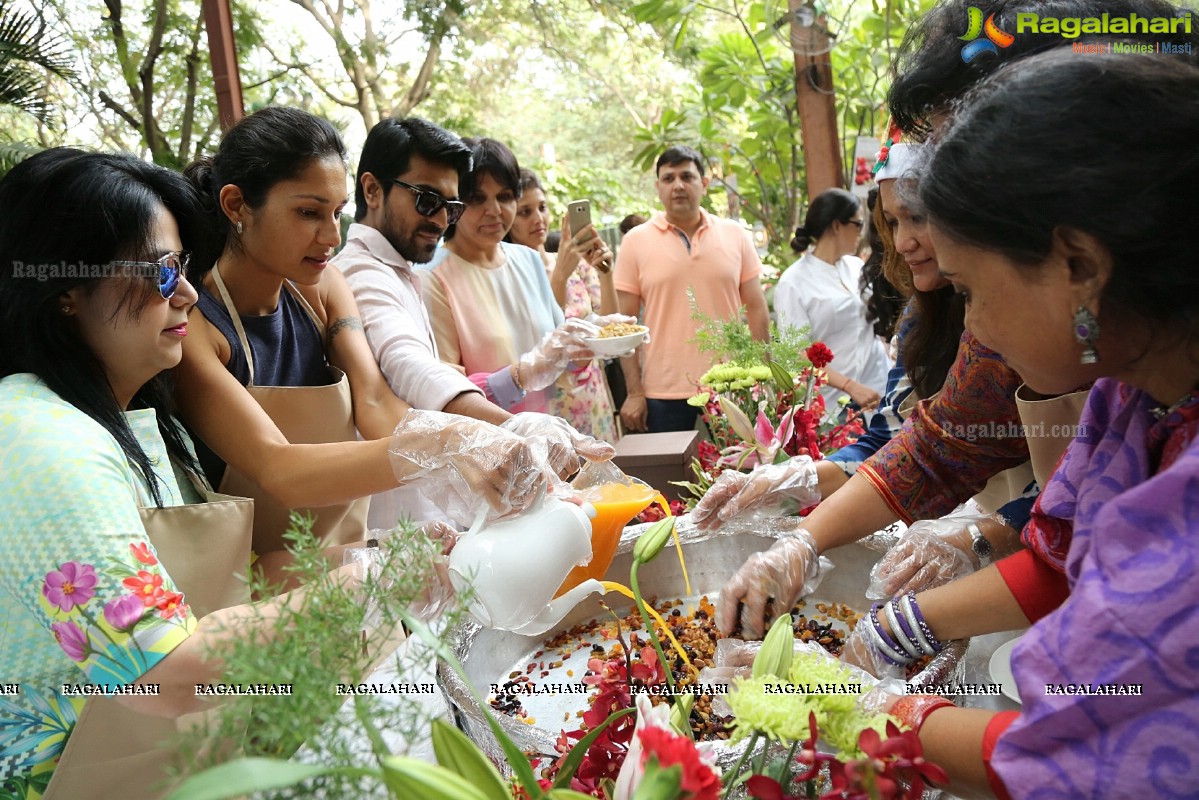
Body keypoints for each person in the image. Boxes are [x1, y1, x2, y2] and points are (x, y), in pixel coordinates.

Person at [0, 148, 452, 798]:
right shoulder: (42, 438)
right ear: (67, 292)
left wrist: (369, 557)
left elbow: (230, 586)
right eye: (159, 273)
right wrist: (370, 587)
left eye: (181, 267)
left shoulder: (146, 422)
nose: (185, 293)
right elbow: (161, 670)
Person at [867, 50, 1199, 799]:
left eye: (971, 291)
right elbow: (1058, 553)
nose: (975, 328)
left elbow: (1071, 757)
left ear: (1078, 264)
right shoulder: (1131, 398)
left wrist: (869, 713)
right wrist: (896, 630)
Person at [176, 108, 566, 583]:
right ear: (237, 205)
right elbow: (279, 469)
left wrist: (487, 442)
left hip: (339, 553)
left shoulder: (324, 288)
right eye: (308, 213)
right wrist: (448, 443)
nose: (330, 236)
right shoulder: (194, 328)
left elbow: (376, 401)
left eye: (336, 213)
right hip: (243, 582)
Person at [332, 118, 612, 528]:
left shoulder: (399, 268)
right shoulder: (361, 272)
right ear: (373, 190)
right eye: (427, 200)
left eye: (451, 206)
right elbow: (409, 362)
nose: (441, 219)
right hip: (402, 513)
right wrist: (511, 424)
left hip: (462, 489)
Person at [419, 138, 632, 419]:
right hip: (489, 443)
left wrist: (593, 339)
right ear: (455, 202)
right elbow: (442, 391)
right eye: (477, 198)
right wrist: (519, 375)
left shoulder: (527, 259)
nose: (494, 210)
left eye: (504, 196)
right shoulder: (432, 276)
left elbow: (560, 354)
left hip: (552, 432)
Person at [614, 145, 770, 433]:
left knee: (741, 474)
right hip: (662, 389)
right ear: (658, 187)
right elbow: (626, 326)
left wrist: (763, 375)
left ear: (704, 183)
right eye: (668, 178)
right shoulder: (635, 241)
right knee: (669, 476)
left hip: (732, 382)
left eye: (687, 176)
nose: (678, 186)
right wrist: (634, 392)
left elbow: (757, 307)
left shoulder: (735, 235)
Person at [507, 167, 619, 442]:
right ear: (509, 218)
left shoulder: (574, 263)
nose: (538, 219)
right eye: (525, 212)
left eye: (542, 207)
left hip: (593, 394)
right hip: (549, 403)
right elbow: (541, 336)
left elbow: (612, 324)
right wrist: (559, 275)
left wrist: (606, 274)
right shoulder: (511, 273)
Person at [774, 188, 890, 409]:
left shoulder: (856, 266)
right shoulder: (794, 282)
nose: (861, 233)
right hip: (835, 400)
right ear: (836, 225)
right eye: (858, 225)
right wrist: (849, 386)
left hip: (878, 383)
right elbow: (797, 354)